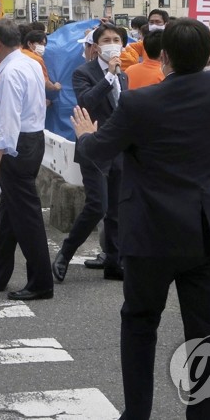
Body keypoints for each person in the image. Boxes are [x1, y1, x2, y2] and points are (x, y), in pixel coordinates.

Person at [70, 18, 210, 420]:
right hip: (206, 232)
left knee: (139, 323)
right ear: (207, 54)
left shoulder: (139, 102)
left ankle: (136, 413)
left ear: (163, 55)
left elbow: (95, 153)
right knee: (205, 331)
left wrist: (85, 135)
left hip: (150, 233)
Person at [0, 21, 53, 301]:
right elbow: (20, 95)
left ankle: (41, 281)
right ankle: (0, 272)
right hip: (31, 141)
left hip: (16, 146)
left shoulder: (13, 70)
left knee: (26, 216)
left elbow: (11, 120)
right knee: (11, 211)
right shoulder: (27, 63)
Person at [53, 23, 129, 284]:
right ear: (96, 47)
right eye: (106, 39)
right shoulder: (82, 72)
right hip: (94, 147)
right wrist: (109, 76)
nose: (112, 43)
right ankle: (65, 252)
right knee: (98, 205)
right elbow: (87, 101)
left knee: (117, 209)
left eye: (117, 39)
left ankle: (114, 261)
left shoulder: (124, 75)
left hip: (119, 148)